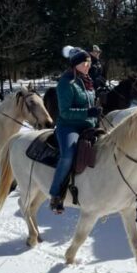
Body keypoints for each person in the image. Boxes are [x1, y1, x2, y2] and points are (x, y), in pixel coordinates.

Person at [49, 46, 101, 214]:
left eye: (89, 62)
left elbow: (89, 103)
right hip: (68, 126)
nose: (88, 65)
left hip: (88, 125)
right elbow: (64, 112)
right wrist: (88, 112)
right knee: (68, 155)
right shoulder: (65, 83)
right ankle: (56, 194)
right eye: (85, 62)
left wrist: (95, 113)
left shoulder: (87, 81)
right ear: (75, 64)